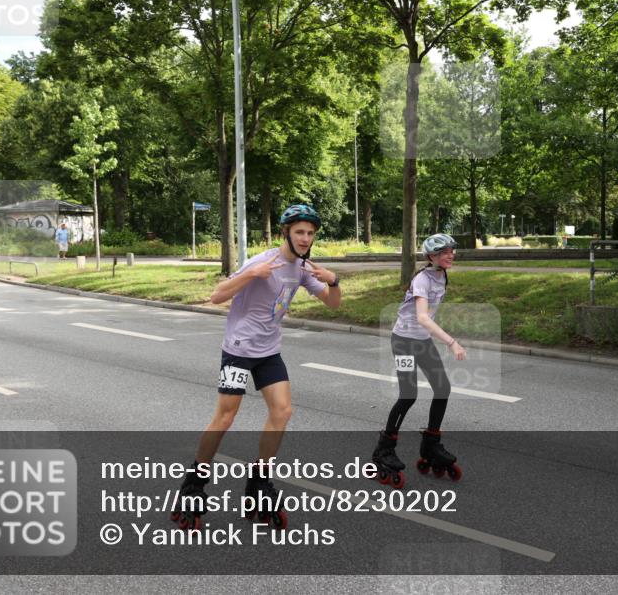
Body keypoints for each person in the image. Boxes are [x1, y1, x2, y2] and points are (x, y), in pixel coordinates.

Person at [171, 204, 341, 531]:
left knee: (283, 411)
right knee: (226, 416)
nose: (305, 238)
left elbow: (333, 304)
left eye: (310, 233)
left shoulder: (304, 268)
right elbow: (216, 296)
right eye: (299, 232)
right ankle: (194, 482)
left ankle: (259, 481)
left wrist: (334, 281)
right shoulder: (262, 262)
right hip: (239, 349)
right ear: (285, 234)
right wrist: (250, 274)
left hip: (268, 351)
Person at [372, 233, 466, 488]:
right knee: (408, 394)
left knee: (443, 388)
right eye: (445, 252)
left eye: (452, 251)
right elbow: (423, 317)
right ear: (432, 256)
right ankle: (384, 449)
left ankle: (431, 444)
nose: (451, 255)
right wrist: (451, 341)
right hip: (403, 342)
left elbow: (426, 322)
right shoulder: (422, 279)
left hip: (422, 342)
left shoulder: (441, 274)